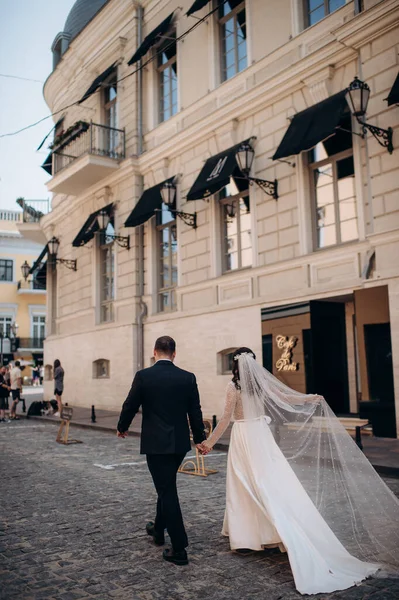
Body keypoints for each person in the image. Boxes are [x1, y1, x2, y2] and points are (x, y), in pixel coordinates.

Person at [201, 347, 399, 595]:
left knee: (245, 485)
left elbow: (225, 418)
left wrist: (209, 442)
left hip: (243, 437)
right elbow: (287, 398)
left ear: (234, 366)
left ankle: (248, 537)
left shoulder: (233, 387)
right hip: (261, 437)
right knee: (270, 483)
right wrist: (311, 398)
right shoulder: (260, 386)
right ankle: (267, 533)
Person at [117, 335, 206, 566]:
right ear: (174, 354)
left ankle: (179, 548)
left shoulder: (144, 376)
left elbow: (130, 404)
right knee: (165, 485)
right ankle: (157, 530)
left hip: (156, 445)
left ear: (154, 352)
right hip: (178, 445)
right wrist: (199, 439)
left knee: (167, 490)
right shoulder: (187, 378)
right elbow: (195, 411)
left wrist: (122, 427)